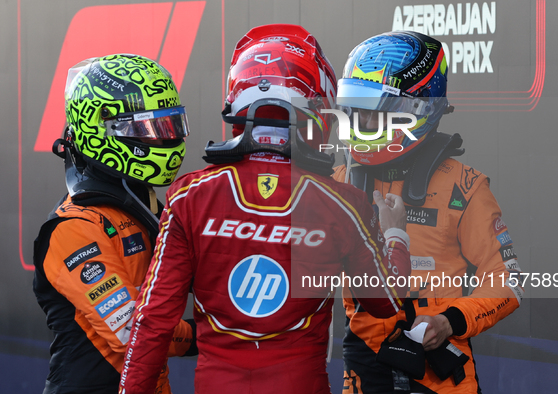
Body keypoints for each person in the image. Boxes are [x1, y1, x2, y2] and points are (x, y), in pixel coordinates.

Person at [118, 24, 411, 394]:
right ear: (317, 105)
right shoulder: (344, 204)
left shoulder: (189, 196)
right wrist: (396, 233)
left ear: (236, 102)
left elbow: (153, 322)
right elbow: (387, 301)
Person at [335, 31, 524, 394]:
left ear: (416, 109)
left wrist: (450, 321)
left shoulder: (465, 187)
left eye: (372, 113)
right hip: (364, 375)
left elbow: (508, 283)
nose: (361, 125)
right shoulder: (338, 182)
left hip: (442, 379)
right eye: (355, 112)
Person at [33, 54, 197, 394]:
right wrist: (207, 334)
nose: (164, 140)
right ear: (102, 130)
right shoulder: (73, 227)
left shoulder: (143, 207)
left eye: (169, 127)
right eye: (149, 129)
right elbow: (131, 331)